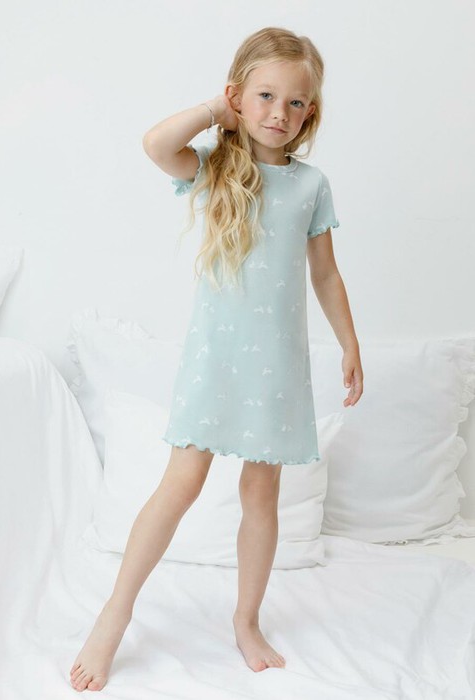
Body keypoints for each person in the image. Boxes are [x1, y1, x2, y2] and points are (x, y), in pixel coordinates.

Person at [69, 25, 363, 692]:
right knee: (182, 482)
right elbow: (155, 144)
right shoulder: (213, 167)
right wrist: (214, 110)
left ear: (311, 111)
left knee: (262, 492)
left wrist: (349, 341)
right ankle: (115, 613)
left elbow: (324, 274)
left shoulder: (311, 185)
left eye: (296, 102)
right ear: (237, 96)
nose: (279, 113)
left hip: (277, 366)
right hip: (216, 360)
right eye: (264, 96)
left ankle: (246, 619)